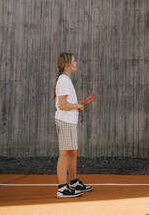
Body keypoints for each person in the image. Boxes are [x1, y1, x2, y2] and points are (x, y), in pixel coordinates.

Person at [53, 53, 96, 198]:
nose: (76, 63)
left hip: (69, 121)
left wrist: (82, 103)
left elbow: (66, 103)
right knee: (64, 153)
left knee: (72, 152)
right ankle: (62, 188)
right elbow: (62, 105)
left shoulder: (65, 79)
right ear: (67, 65)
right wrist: (78, 105)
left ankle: (73, 182)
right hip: (65, 121)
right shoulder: (64, 80)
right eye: (74, 61)